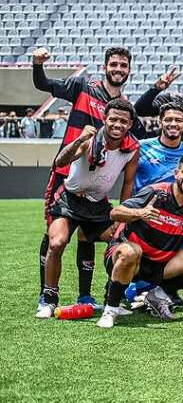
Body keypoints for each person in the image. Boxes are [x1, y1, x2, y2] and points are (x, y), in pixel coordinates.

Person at [32, 45, 137, 309]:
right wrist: (37, 64)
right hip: (65, 173)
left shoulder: (123, 108)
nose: (118, 69)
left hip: (94, 182)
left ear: (129, 71)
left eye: (123, 65)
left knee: (87, 234)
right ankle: (46, 294)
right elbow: (43, 84)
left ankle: (85, 295)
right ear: (105, 67)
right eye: (114, 64)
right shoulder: (83, 86)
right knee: (55, 236)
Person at [102, 155, 183, 327]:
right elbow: (114, 213)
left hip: (158, 265)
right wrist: (140, 213)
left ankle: (158, 294)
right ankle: (110, 309)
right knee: (131, 252)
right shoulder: (155, 192)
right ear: (176, 173)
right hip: (126, 256)